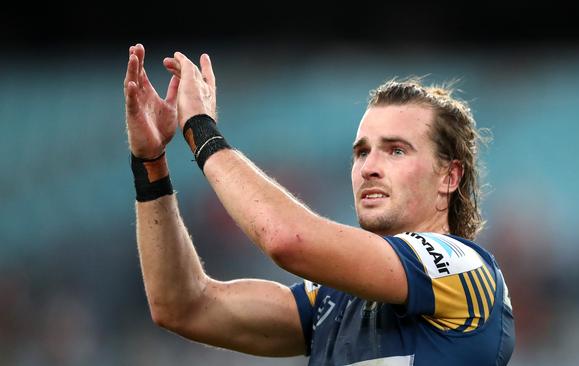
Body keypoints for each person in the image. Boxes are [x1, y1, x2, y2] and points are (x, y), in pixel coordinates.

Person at [124, 43, 515, 365]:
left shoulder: (465, 271)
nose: (369, 168)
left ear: (450, 177)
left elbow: (287, 239)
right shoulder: (333, 300)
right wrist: (151, 163)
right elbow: (183, 306)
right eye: (362, 152)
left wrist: (200, 129)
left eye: (396, 151)